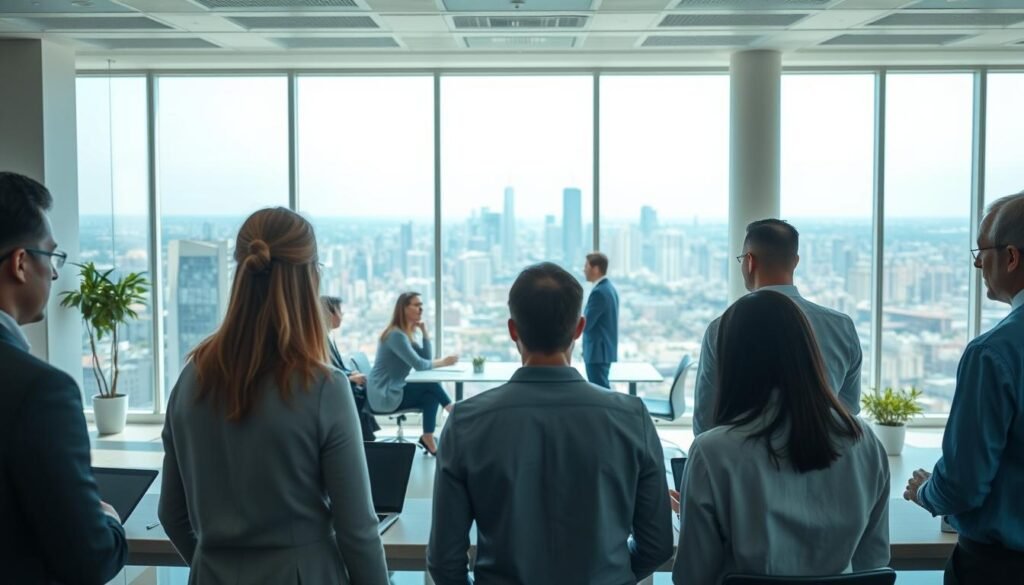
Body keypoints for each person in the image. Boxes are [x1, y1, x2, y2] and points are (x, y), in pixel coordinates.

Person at [158, 207, 389, 585]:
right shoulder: (324, 388)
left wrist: (212, 563)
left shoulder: (190, 379)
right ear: (310, 276)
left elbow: (172, 514)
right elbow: (358, 530)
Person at [428, 262, 673, 585]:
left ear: (513, 330)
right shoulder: (632, 417)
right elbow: (657, 546)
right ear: (579, 328)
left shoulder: (465, 422)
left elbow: (445, 561)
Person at [672, 290, 890, 584]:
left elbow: (692, 577)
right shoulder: (864, 442)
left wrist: (695, 516)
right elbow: (873, 563)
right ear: (808, 351)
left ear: (731, 361)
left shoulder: (714, 451)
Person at [0, 171, 128, 584]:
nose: (55, 275)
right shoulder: (38, 391)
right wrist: (108, 522)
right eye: (51, 257)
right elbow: (88, 560)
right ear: (20, 263)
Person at [903, 191, 1024, 584]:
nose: (976, 262)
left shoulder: (994, 353)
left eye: (982, 249)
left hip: (1000, 569)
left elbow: (962, 486)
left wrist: (926, 492)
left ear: (1011, 257)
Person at [692, 219, 862, 435]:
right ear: (795, 262)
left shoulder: (721, 329)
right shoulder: (842, 326)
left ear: (749, 261)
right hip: (824, 459)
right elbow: (848, 409)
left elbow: (705, 422)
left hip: (741, 464)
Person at [367, 292, 457, 455]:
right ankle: (453, 410)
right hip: (384, 394)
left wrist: (424, 332)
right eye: (416, 305)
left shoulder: (405, 334)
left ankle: (427, 436)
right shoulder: (395, 335)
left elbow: (425, 358)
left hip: (393, 389)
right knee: (430, 385)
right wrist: (444, 362)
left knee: (431, 395)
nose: (420, 309)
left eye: (421, 305)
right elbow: (420, 365)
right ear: (403, 309)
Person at [322, 295, 380, 441]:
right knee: (361, 394)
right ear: (329, 313)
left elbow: (335, 367)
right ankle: (365, 438)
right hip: (334, 389)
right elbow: (324, 371)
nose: (342, 315)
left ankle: (365, 438)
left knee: (363, 391)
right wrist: (351, 378)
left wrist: (349, 373)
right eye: (340, 311)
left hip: (341, 383)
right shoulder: (320, 339)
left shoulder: (328, 336)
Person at [582, 252, 619, 389]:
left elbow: (586, 323)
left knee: (599, 390)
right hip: (602, 351)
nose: (584, 269)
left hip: (597, 352)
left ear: (595, 268)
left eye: (586, 266)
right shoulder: (608, 288)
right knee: (601, 389)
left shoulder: (600, 292)